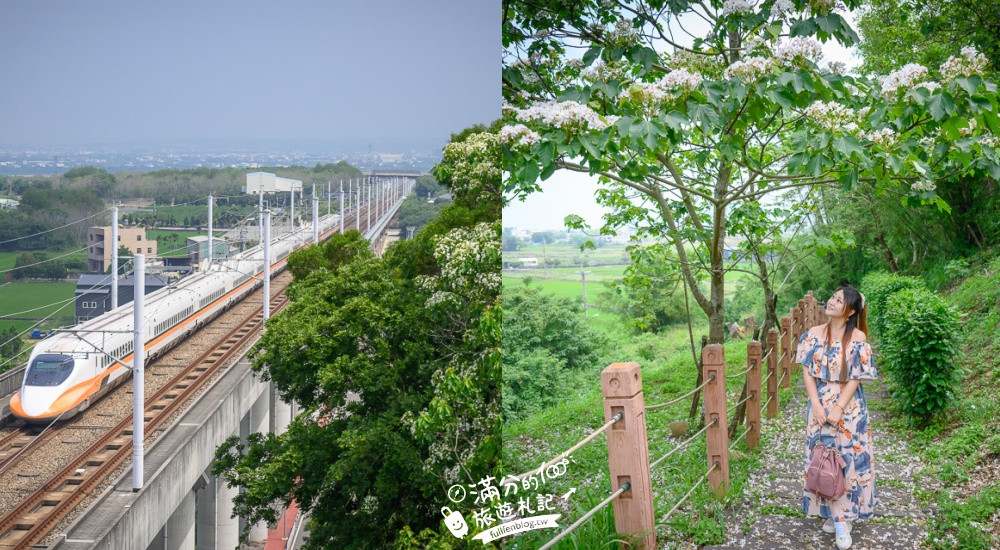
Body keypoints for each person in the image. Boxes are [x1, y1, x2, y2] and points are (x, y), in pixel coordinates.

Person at [796, 285, 878, 550]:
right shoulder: (812, 335)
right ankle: (833, 512)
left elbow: (856, 377)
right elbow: (808, 372)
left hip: (849, 408)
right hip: (819, 405)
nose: (831, 301)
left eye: (838, 300)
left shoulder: (858, 338)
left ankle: (843, 520)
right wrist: (817, 406)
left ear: (850, 310)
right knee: (822, 459)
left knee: (848, 461)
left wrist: (839, 407)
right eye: (832, 297)